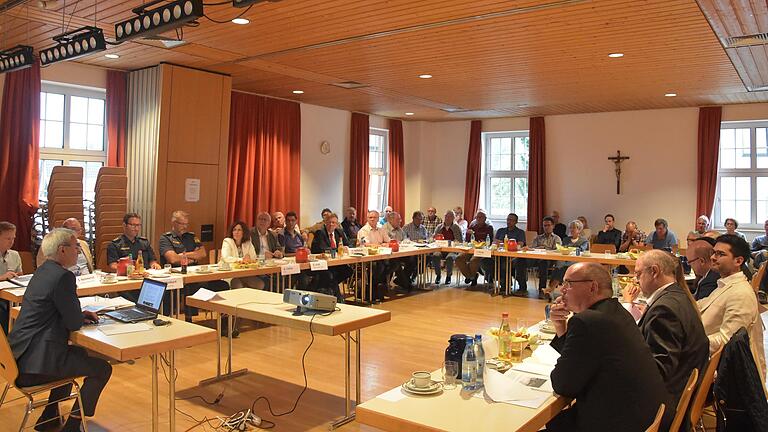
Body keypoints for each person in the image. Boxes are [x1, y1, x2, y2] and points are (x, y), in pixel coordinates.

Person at [547, 262, 672, 432]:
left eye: (568, 284)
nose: (561, 290)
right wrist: (560, 326)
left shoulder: (587, 321)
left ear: (593, 287)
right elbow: (581, 360)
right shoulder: (617, 311)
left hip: (617, 422)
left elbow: (563, 384)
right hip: (646, 417)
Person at [9, 228, 112, 432]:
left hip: (18, 357)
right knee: (102, 369)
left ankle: (49, 417)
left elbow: (53, 309)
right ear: (62, 250)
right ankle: (73, 426)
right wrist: (78, 316)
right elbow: (73, 324)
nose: (79, 252)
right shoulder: (63, 277)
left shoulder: (43, 270)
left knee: (79, 354)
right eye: (76, 247)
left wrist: (79, 314)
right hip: (34, 367)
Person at [634, 250, 708, 416]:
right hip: (679, 389)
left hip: (665, 405)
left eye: (638, 274)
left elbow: (659, 370)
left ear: (654, 271)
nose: (634, 279)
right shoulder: (677, 295)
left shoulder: (664, 309)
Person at [699, 234, 766, 377]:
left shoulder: (740, 293)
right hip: (713, 362)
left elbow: (726, 340)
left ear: (738, 261)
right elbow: (700, 305)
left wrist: (689, 343)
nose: (713, 258)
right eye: (713, 252)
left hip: (728, 377)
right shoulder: (726, 283)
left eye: (720, 254)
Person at [159, 210, 229, 321]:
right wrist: (192, 256)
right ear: (174, 223)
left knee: (222, 285)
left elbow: (202, 253)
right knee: (189, 287)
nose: (184, 227)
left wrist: (184, 255)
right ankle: (189, 319)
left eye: (186, 224)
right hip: (177, 278)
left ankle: (224, 323)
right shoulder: (166, 238)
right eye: (182, 224)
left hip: (195, 275)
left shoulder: (191, 236)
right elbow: (172, 258)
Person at [517, 216, 561, 299]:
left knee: (543, 262)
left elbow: (557, 251)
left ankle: (542, 289)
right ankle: (522, 288)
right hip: (536, 258)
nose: (546, 227)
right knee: (520, 260)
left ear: (553, 226)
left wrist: (545, 250)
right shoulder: (538, 237)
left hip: (549, 260)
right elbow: (532, 248)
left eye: (548, 225)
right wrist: (535, 249)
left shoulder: (556, 238)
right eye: (545, 225)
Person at [311, 213, 352, 301]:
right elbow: (323, 248)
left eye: (333, 223)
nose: (331, 225)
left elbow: (348, 244)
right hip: (323, 263)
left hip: (336, 262)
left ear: (337, 224)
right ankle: (338, 297)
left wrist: (346, 247)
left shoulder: (339, 232)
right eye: (329, 222)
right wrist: (338, 249)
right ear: (325, 223)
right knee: (330, 275)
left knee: (348, 270)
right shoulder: (320, 232)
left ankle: (330, 287)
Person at [546, 220, 590, 299]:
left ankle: (550, 289)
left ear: (579, 229)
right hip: (565, 261)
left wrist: (570, 249)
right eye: (570, 228)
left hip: (577, 263)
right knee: (559, 268)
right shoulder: (566, 239)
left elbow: (580, 250)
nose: (571, 230)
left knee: (562, 269)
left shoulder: (584, 241)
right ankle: (550, 291)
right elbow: (562, 249)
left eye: (574, 228)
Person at [358, 211, 391, 302]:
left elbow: (388, 241)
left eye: (374, 217)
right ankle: (371, 290)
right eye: (370, 217)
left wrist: (383, 244)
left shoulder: (381, 229)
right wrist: (381, 245)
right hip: (367, 258)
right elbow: (366, 245)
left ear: (378, 218)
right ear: (367, 218)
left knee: (394, 263)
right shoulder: (363, 231)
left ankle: (376, 287)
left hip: (382, 255)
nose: (372, 219)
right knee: (377, 266)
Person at [221, 220, 264, 290]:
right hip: (231, 274)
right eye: (234, 230)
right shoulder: (227, 241)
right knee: (238, 285)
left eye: (239, 230)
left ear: (244, 232)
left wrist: (248, 259)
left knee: (260, 284)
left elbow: (253, 257)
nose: (236, 232)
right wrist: (242, 259)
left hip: (245, 273)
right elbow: (226, 258)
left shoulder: (247, 243)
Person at [456, 210, 494, 286]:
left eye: (480, 217)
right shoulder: (472, 227)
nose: (478, 219)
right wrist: (468, 234)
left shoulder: (489, 228)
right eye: (477, 217)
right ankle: (471, 276)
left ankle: (471, 277)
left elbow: (490, 241)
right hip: (471, 249)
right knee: (459, 258)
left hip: (482, 250)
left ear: (485, 218)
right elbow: (467, 241)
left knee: (473, 260)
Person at [493, 213, 527, 293]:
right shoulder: (501, 231)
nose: (509, 222)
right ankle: (502, 283)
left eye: (511, 220)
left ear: (516, 222)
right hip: (500, 255)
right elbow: (494, 242)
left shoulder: (520, 232)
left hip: (514, 256)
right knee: (486, 261)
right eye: (508, 219)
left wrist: (503, 243)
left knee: (508, 264)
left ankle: (511, 285)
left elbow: (520, 245)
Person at [0, 221, 22, 334]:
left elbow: (20, 275)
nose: (11, 242)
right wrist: (2, 277)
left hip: (14, 292)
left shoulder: (15, 254)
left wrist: (17, 277)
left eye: (13, 238)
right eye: (8, 238)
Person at [432, 210, 462, 285]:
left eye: (449, 217)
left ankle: (448, 276)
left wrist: (453, 243)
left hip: (452, 250)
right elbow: (434, 238)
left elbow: (460, 241)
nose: (447, 218)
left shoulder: (456, 227)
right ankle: (438, 275)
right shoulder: (439, 227)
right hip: (440, 249)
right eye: (445, 216)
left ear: (453, 218)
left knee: (450, 258)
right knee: (435, 255)